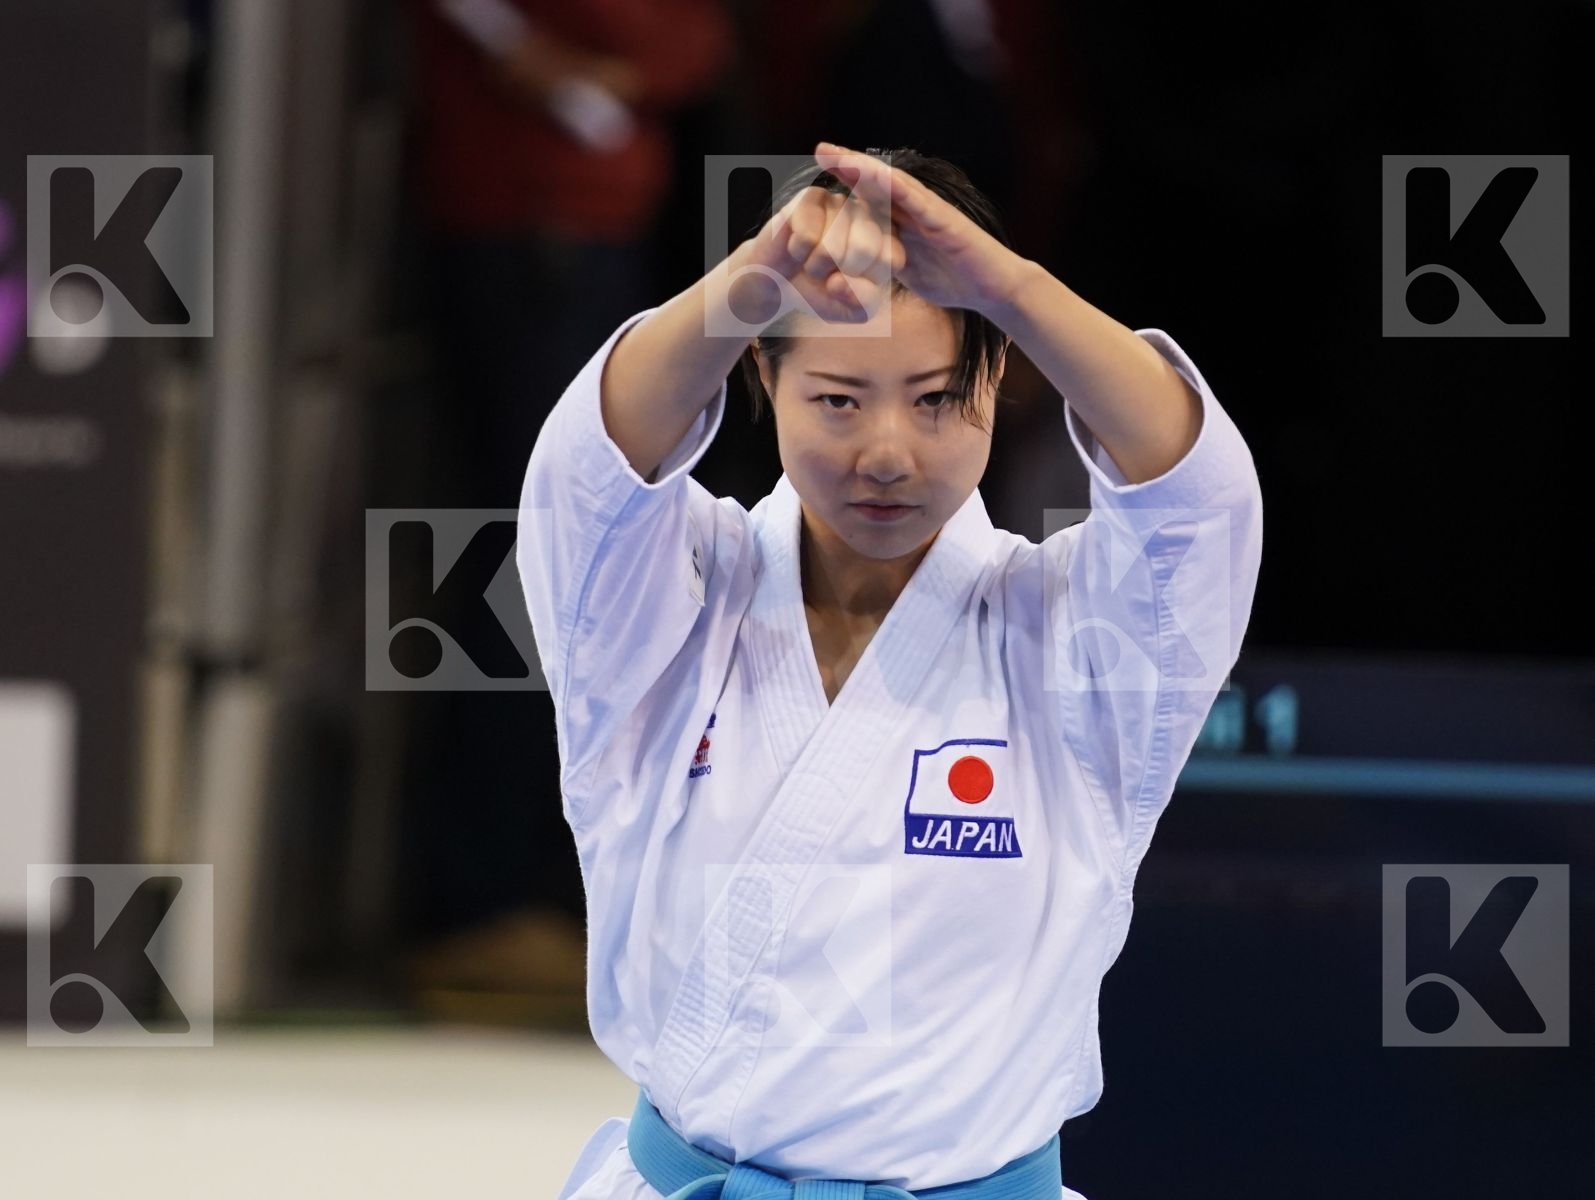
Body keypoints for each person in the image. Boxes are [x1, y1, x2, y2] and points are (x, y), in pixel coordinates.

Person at [518, 144, 1263, 1200]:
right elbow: (588, 473)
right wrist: (750, 279)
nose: (885, 452)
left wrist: (1006, 285)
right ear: (762, 373)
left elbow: (1197, 502)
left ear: (997, 376)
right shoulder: (676, 606)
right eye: (836, 400)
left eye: (930, 398)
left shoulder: (1069, 641)